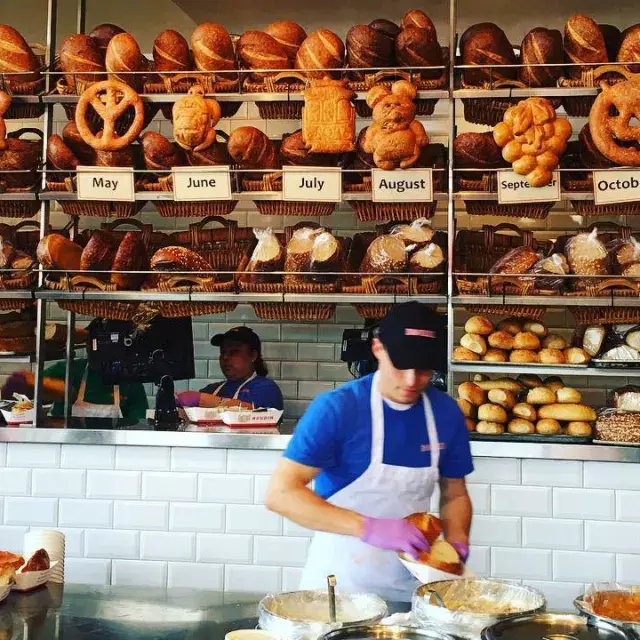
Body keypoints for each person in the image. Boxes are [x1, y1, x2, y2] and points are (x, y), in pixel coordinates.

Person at [265, 302, 473, 602]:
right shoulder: (338, 408)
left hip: (410, 592)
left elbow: (455, 493)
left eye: (425, 369)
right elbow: (280, 493)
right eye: (401, 365)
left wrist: (457, 539)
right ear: (378, 348)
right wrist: (369, 527)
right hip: (337, 591)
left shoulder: (446, 414)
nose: (412, 380)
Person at [1, 357, 148, 421]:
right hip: (64, 447)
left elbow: (137, 424)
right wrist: (21, 383)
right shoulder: (68, 370)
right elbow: (21, 390)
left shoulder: (130, 380)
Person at [177, 326, 283, 410]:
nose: (225, 357)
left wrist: (200, 399)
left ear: (253, 356)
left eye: (234, 351)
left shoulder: (266, 388)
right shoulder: (212, 389)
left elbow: (249, 412)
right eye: (222, 352)